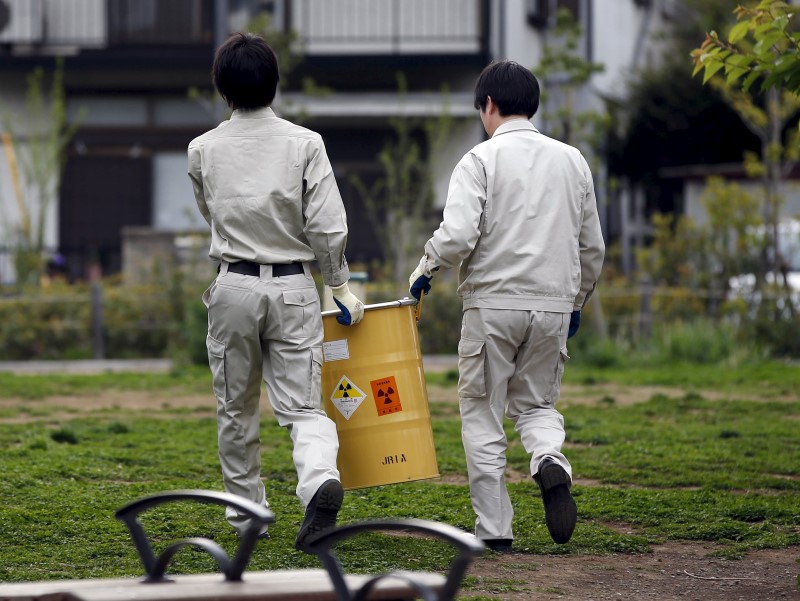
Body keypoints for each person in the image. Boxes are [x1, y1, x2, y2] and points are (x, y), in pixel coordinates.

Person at [408, 60, 605, 551]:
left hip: (492, 305)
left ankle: (495, 530)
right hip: (554, 304)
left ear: (489, 106)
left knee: (482, 411)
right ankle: (549, 460)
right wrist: (575, 301)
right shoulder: (573, 161)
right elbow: (592, 248)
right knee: (536, 405)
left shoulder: (479, 161)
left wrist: (425, 271)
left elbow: (456, 237)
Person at [187, 32, 364, 552]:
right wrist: (339, 284)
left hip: (233, 284)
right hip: (293, 286)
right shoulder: (306, 144)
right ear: (275, 83)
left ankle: (247, 516)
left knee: (235, 406)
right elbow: (328, 226)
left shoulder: (202, 149)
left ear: (222, 87)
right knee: (305, 408)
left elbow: (211, 212)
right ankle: (318, 483)